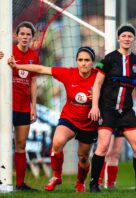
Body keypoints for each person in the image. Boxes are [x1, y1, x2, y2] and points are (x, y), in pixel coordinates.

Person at [8, 46, 98, 192]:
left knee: (83, 157)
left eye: (87, 60)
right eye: (80, 60)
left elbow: (112, 92)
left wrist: (99, 100)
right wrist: (17, 65)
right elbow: (41, 69)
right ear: (76, 61)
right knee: (56, 144)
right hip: (69, 118)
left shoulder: (99, 76)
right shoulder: (68, 73)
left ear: (92, 62)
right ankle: (56, 176)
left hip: (89, 122)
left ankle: (80, 182)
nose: (83, 63)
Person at [88, 24, 136, 193]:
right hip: (107, 109)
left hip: (126, 111)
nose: (127, 39)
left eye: (130, 36)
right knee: (103, 147)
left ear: (134, 39)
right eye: (124, 36)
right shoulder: (109, 59)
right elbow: (97, 84)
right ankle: (94, 184)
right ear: (118, 38)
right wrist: (95, 107)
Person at [1, 21, 39, 191]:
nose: (25, 37)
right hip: (6, 105)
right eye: (22, 34)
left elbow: (33, 81)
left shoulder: (34, 56)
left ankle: (20, 183)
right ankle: (3, 179)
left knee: (21, 145)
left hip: (24, 107)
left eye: (28, 34)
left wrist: (33, 107)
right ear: (16, 35)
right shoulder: (6, 50)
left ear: (32, 37)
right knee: (2, 142)